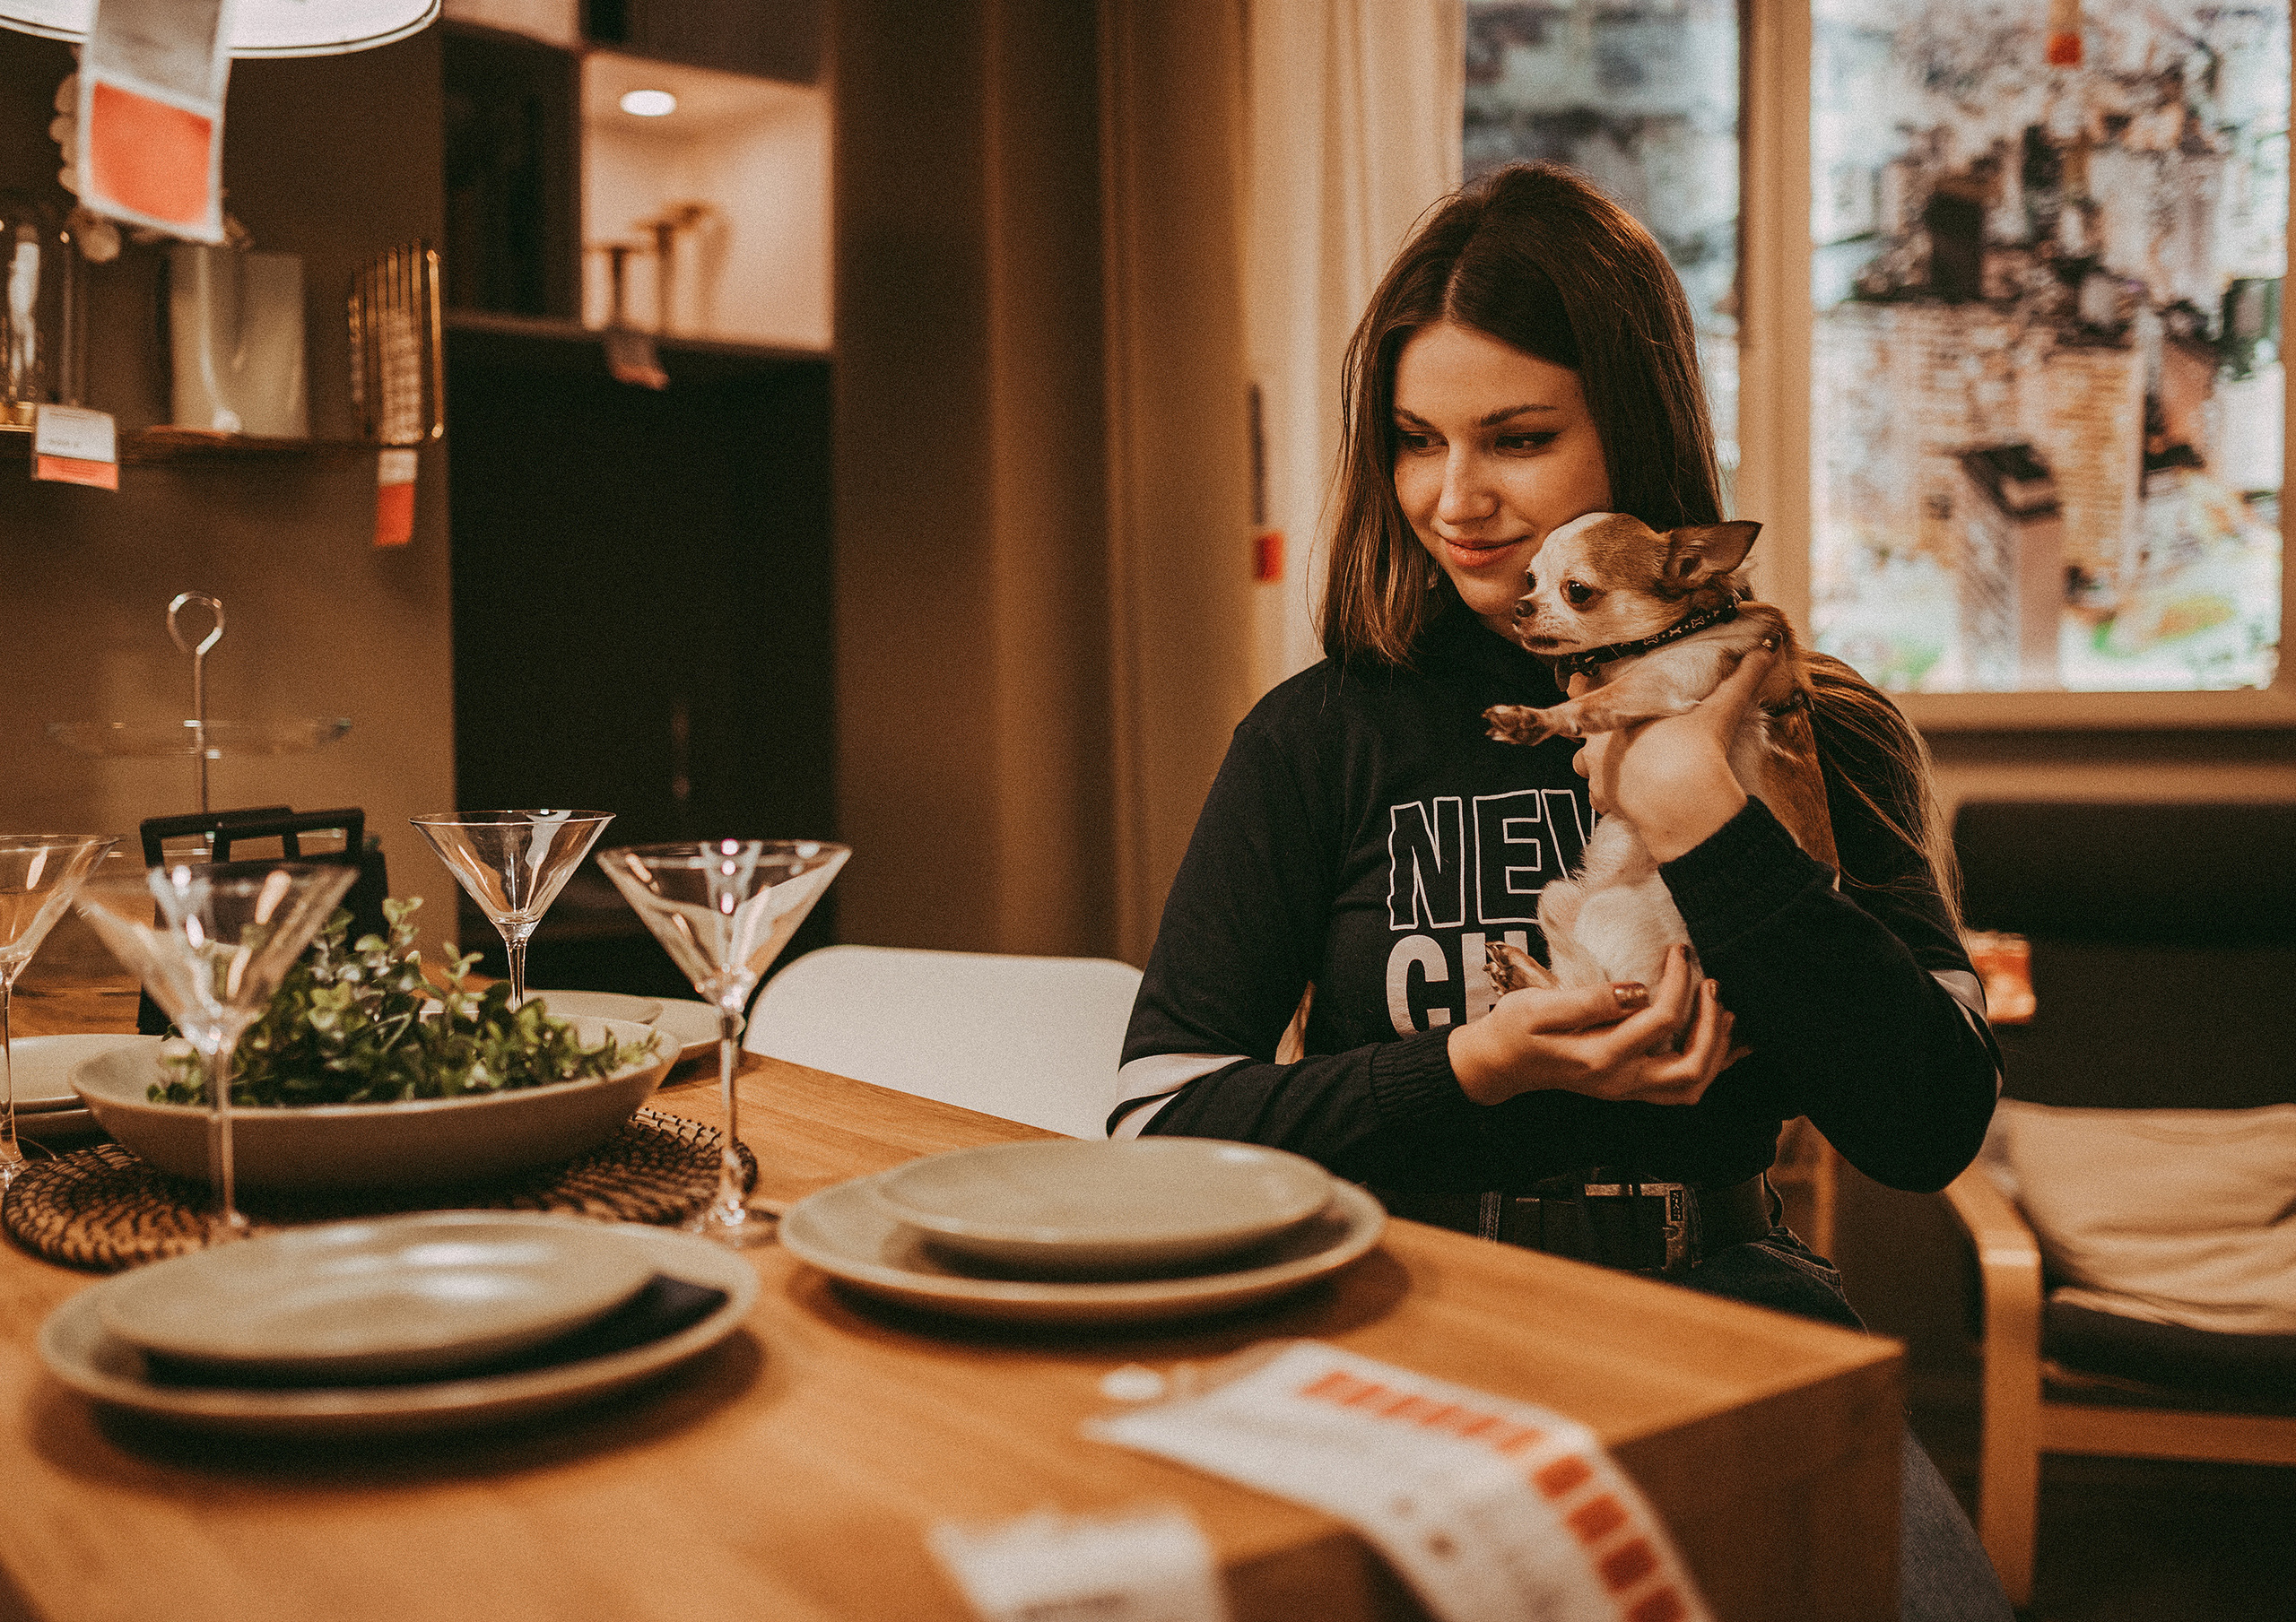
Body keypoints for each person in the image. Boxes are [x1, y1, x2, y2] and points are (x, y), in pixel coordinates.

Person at [1112, 162, 2012, 1619]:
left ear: (1632, 430)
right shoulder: (1318, 738)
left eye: (1517, 438)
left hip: (1720, 1304)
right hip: (1391, 1320)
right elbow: (1158, 1117)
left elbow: (1929, 1118)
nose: (1455, 501)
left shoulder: (1803, 723)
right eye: (1414, 441)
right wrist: (1461, 1066)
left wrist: (1706, 821)